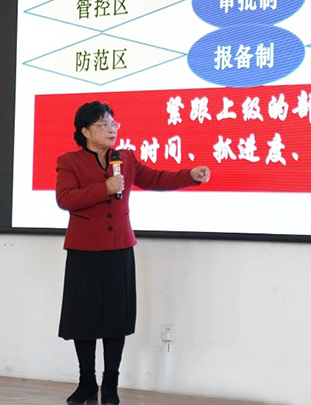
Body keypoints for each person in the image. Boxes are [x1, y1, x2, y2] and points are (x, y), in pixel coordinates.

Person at [55, 101, 210, 405]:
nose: (111, 129)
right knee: (83, 319)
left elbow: (155, 178)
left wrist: (189, 175)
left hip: (119, 248)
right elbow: (65, 198)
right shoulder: (69, 161)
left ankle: (110, 385)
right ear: (85, 131)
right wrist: (105, 188)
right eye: (103, 124)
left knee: (116, 319)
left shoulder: (124, 158)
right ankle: (87, 382)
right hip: (84, 251)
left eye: (113, 123)